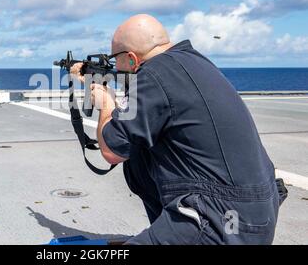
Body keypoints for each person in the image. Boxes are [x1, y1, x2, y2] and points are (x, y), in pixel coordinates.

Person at [71, 14, 287, 245]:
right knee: (141, 151)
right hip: (253, 215)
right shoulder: (193, 63)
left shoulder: (154, 74)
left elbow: (113, 150)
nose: (115, 67)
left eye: (116, 60)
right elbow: (142, 119)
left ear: (132, 59)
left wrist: (105, 103)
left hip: (219, 221)